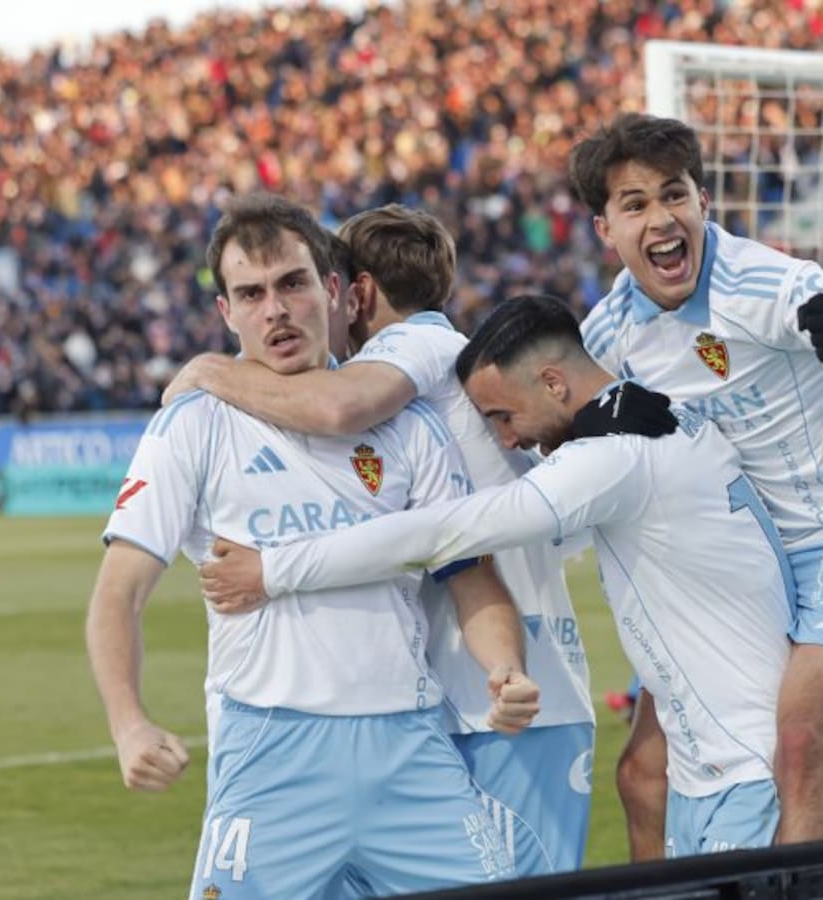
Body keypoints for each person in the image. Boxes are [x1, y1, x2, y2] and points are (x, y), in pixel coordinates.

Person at [200, 294, 795, 859]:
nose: (507, 439)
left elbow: (441, 532)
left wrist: (275, 569)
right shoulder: (666, 416)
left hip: (746, 771)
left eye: (503, 416)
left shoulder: (612, 461)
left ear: (553, 383)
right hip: (708, 771)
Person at [85, 194, 540, 898]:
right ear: (227, 313)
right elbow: (120, 589)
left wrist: (505, 668)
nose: (275, 309)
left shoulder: (409, 426)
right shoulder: (194, 425)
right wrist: (128, 724)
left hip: (409, 748)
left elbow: (467, 573)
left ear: (333, 290)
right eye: (251, 293)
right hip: (271, 752)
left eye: (292, 283)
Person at [571, 112, 823, 851]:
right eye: (635, 203)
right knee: (643, 776)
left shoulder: (767, 284)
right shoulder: (608, 335)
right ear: (603, 228)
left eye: (674, 194)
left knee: (801, 750)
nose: (662, 217)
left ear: (703, 202)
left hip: (816, 552)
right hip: (728, 573)